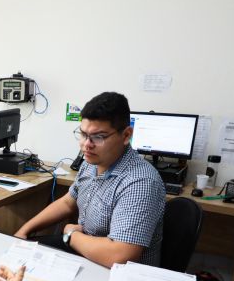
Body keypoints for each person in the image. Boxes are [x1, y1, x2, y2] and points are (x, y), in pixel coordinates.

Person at [15, 92, 165, 268]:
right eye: (83, 134)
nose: (86, 144)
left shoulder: (140, 182)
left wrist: (71, 236)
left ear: (126, 135)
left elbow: (120, 256)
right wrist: (25, 229)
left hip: (117, 273)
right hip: (84, 254)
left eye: (98, 137)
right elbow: (67, 202)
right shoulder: (92, 162)